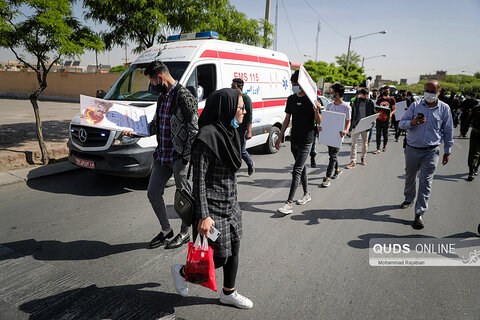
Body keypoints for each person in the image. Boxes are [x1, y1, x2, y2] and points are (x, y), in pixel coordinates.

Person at [171, 88, 253, 309]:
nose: (244, 112)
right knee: (219, 256)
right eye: (240, 108)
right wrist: (204, 216)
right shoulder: (206, 138)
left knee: (235, 248)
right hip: (212, 207)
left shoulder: (230, 132)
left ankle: (229, 292)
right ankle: (182, 271)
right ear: (225, 108)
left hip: (231, 203)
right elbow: (198, 181)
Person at [124, 60, 199, 250]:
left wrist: (185, 156)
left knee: (184, 197)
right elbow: (156, 125)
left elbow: (194, 129)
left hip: (179, 157)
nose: (153, 87)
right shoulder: (162, 98)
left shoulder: (184, 96)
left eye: (152, 83)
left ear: (160, 77)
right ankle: (166, 230)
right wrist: (135, 131)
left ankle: (184, 232)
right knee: (153, 193)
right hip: (162, 155)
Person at [398, 80, 453, 229]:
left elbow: (448, 131)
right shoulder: (415, 106)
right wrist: (413, 123)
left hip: (431, 151)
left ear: (439, 92)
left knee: (426, 182)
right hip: (412, 149)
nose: (429, 94)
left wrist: (447, 150)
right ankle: (409, 198)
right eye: (427, 90)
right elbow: (401, 123)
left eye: (433, 91)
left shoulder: (444, 108)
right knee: (410, 176)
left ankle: (419, 213)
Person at [275, 70, 322, 214]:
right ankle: (307, 194)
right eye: (292, 84)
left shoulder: (312, 99)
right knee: (301, 168)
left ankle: (289, 203)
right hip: (294, 139)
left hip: (307, 140)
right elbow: (286, 119)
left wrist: (316, 111)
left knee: (296, 170)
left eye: (294, 84)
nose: (292, 86)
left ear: (301, 85)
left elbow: (319, 121)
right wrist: (280, 137)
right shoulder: (291, 99)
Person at [320, 83, 351, 187]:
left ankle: (327, 178)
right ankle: (337, 170)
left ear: (337, 94)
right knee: (332, 155)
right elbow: (325, 120)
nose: (331, 93)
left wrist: (346, 130)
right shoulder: (329, 106)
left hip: (338, 136)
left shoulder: (346, 107)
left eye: (332, 91)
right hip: (329, 135)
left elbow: (348, 121)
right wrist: (321, 127)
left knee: (332, 156)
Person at [231, 78, 255, 176]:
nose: (232, 88)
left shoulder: (246, 99)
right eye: (231, 86)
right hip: (232, 128)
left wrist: (249, 132)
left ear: (240, 87)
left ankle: (250, 164)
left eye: (234, 86)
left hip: (242, 129)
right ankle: (233, 169)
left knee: (241, 150)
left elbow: (249, 116)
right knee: (232, 149)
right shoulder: (231, 97)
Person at [346, 88, 375, 168]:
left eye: (366, 95)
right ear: (361, 94)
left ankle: (363, 157)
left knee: (365, 144)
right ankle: (353, 161)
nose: (365, 96)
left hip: (366, 126)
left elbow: (373, 113)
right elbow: (351, 113)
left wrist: (373, 121)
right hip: (356, 125)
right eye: (364, 94)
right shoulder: (356, 101)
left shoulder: (370, 102)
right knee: (354, 144)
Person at [460, 100, 480, 181]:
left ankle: (476, 168)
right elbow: (468, 120)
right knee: (473, 153)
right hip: (476, 134)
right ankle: (471, 172)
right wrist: (464, 131)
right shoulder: (476, 109)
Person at [373, 85, 396, 154]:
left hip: (387, 119)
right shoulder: (379, 99)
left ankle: (384, 146)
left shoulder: (392, 100)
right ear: (382, 91)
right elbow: (376, 108)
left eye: (387, 90)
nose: (386, 92)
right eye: (384, 90)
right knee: (378, 134)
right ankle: (378, 148)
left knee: (385, 134)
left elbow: (394, 109)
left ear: (389, 91)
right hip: (379, 119)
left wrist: (391, 114)